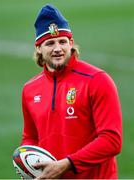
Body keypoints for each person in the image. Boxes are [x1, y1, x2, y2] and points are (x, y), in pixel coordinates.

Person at [21, 4, 122, 179]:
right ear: (38, 48)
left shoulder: (97, 80)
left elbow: (112, 141)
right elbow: (30, 137)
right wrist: (26, 162)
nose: (58, 48)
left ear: (71, 43)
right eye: (50, 43)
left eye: (63, 41)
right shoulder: (30, 89)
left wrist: (67, 164)